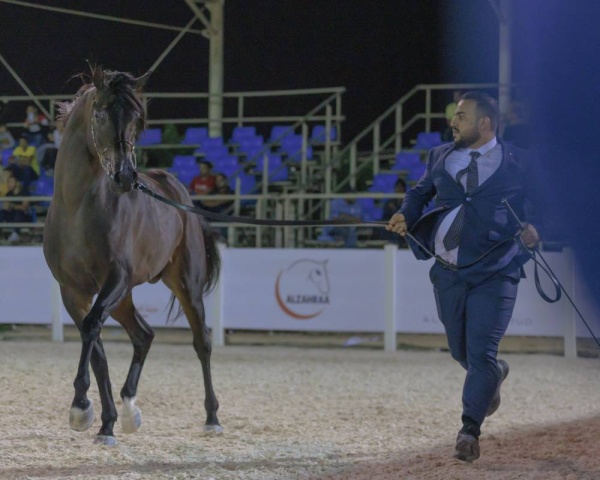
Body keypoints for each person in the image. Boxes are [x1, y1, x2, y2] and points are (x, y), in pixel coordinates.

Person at [386, 91, 540, 462]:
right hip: (448, 269)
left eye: (462, 116)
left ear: (484, 123)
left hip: (497, 269)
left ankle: (469, 430)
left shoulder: (519, 161)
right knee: (463, 353)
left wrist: (538, 226)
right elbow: (421, 192)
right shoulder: (440, 155)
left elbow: (546, 202)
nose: (453, 122)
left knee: (482, 350)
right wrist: (406, 213)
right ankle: (494, 374)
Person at [0, 175, 33, 242]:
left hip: (23, 217)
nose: (9, 184)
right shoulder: (8, 194)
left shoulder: (24, 192)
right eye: (8, 182)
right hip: (11, 215)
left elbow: (24, 207)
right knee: (1, 213)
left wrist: (12, 206)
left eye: (11, 182)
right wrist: (14, 206)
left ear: (17, 183)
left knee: (19, 212)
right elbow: (5, 207)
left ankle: (16, 234)